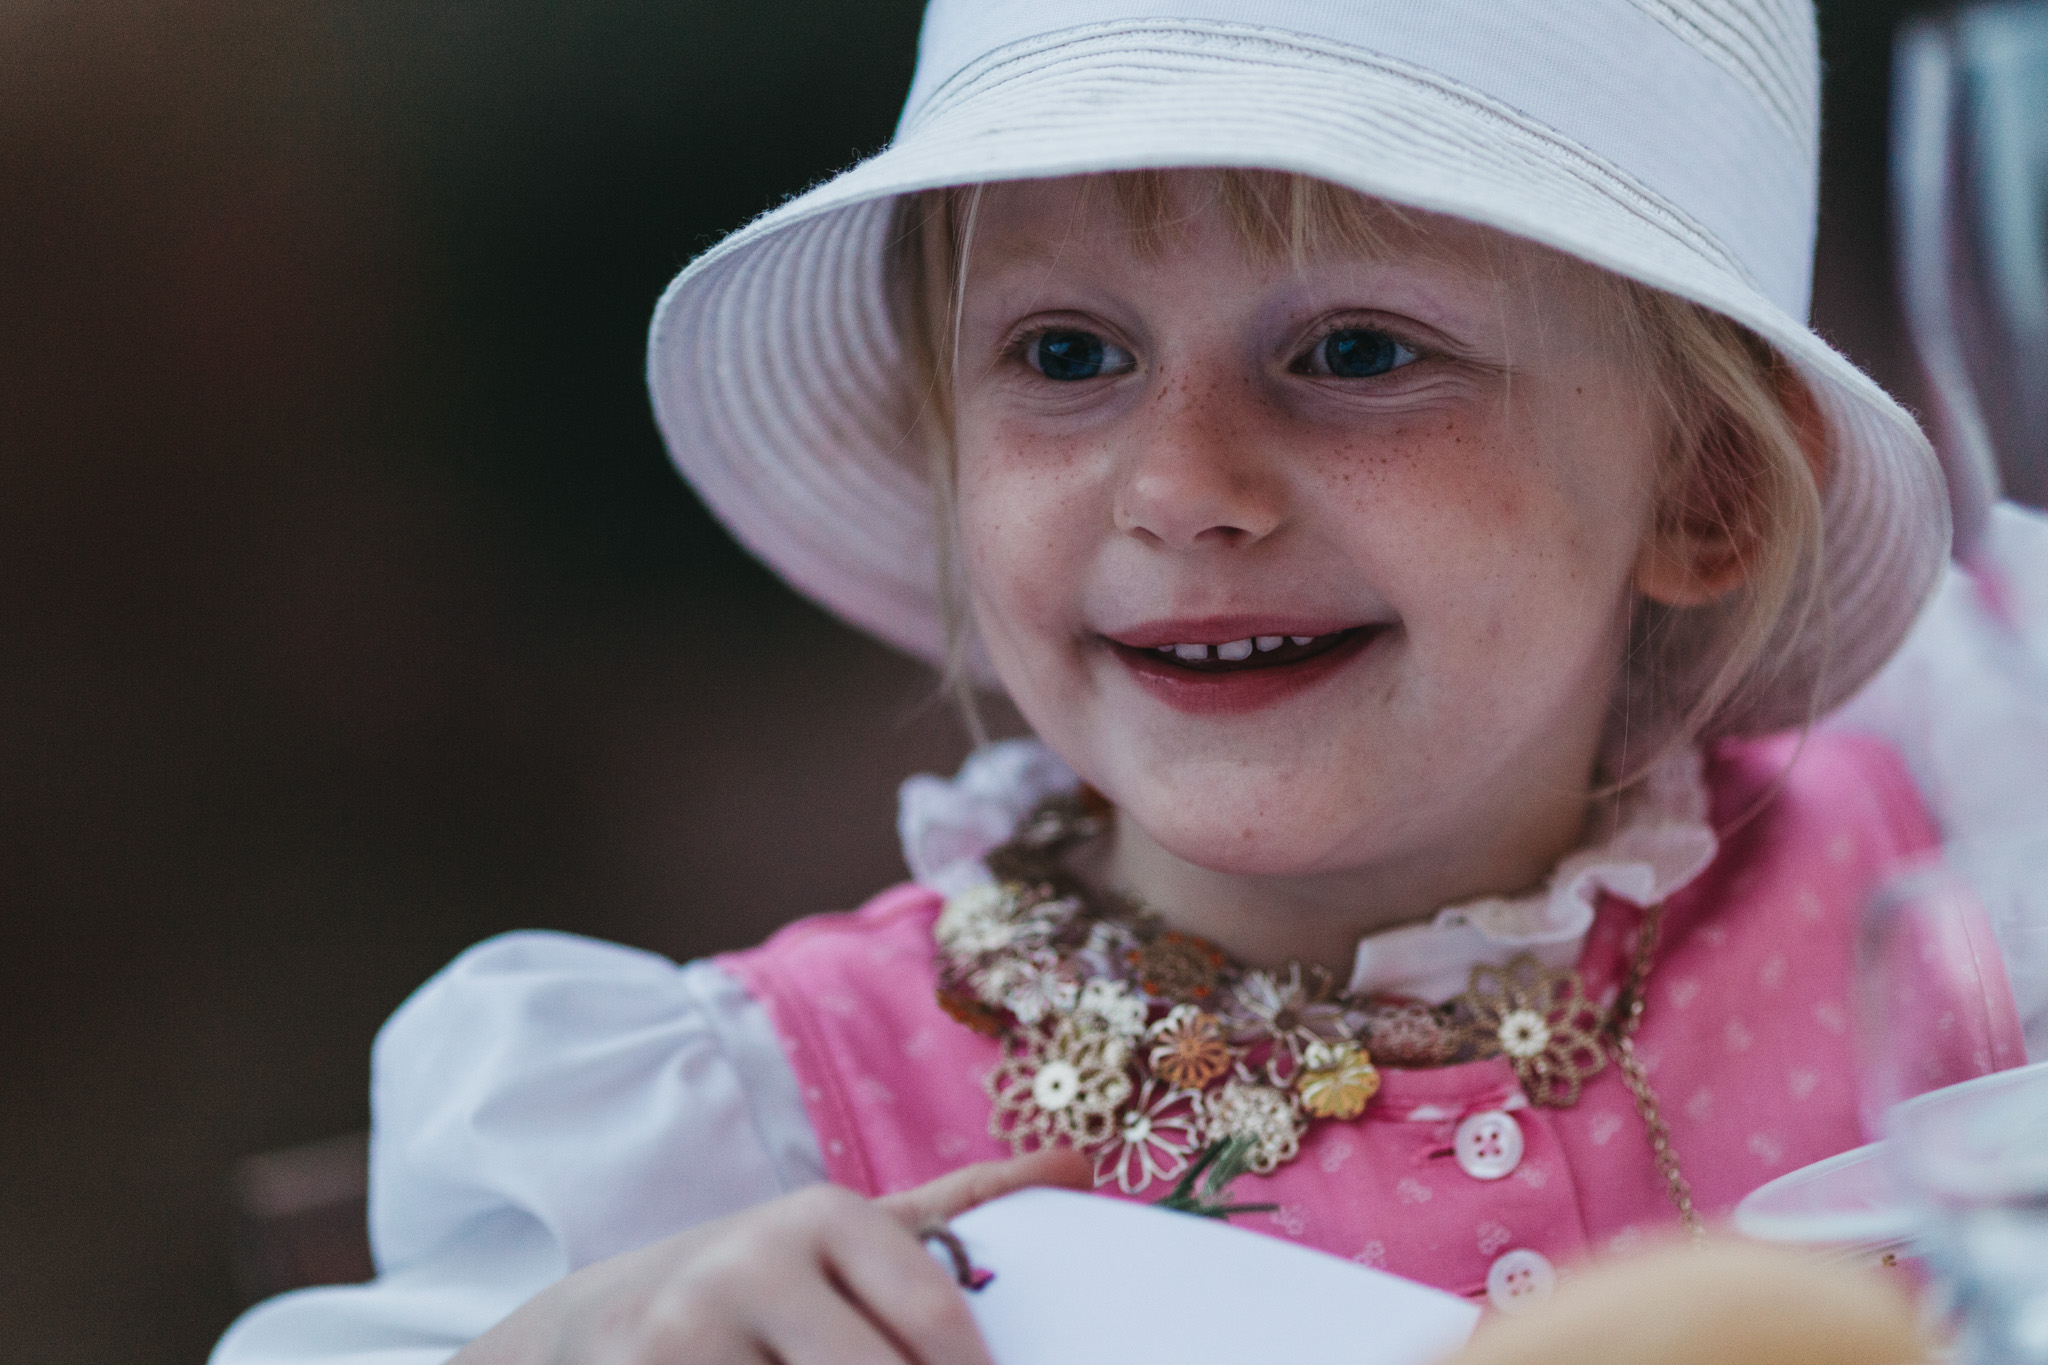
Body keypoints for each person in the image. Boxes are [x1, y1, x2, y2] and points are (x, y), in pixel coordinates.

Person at [213, 2, 2048, 1363]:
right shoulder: (760, 1139)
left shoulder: (1970, 869)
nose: (1183, 488)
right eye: (1069, 351)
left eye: (1353, 349)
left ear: (1707, 486)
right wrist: (585, 1338)